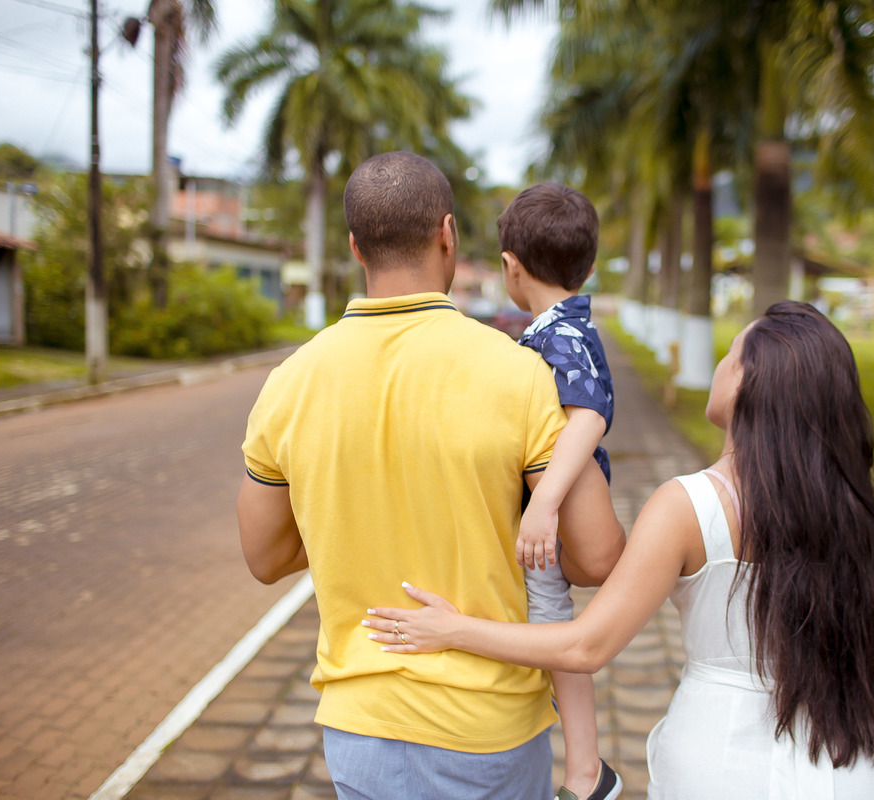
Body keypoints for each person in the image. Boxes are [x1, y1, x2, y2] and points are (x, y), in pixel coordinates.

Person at [364, 301, 874, 799]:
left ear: (748, 383)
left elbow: (587, 646)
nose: (720, 365)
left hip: (723, 762)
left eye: (730, 355)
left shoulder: (688, 506)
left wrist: (451, 630)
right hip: (849, 767)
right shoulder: (848, 508)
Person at [237, 151, 626, 800]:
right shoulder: (517, 372)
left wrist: (363, 512)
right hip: (487, 731)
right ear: (448, 234)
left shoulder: (288, 385)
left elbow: (265, 556)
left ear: (356, 246)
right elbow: (594, 555)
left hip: (358, 731)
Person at [499, 183, 620, 800]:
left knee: (553, 628)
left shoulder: (562, 336)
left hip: (559, 506)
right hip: (554, 505)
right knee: (548, 624)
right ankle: (585, 769)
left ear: (509, 267)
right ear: (590, 265)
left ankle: (585, 769)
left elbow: (589, 416)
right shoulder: (556, 329)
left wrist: (544, 505)